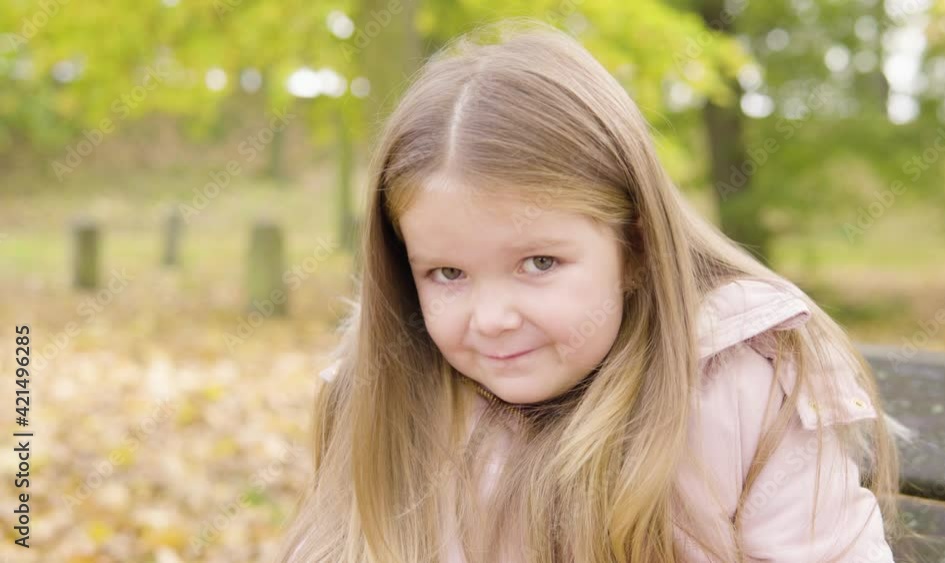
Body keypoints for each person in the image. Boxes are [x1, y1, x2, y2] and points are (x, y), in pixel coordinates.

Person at [276, 18, 908, 563]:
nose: (492, 318)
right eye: (448, 274)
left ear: (635, 249)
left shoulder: (746, 389)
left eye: (539, 263)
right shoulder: (388, 395)